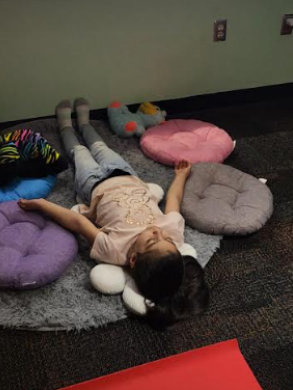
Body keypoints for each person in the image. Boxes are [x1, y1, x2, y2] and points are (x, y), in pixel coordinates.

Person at [19, 99, 209, 328]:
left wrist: (42, 205)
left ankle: (65, 126)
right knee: (100, 147)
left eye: (151, 240)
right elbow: (173, 200)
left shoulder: (114, 250)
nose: (158, 232)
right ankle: (84, 122)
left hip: (93, 185)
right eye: (166, 239)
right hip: (127, 175)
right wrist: (180, 177)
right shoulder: (173, 236)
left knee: (79, 151)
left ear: (133, 259)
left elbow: (78, 223)